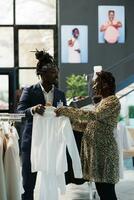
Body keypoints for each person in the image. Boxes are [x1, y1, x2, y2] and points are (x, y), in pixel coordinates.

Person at [55, 71, 121, 200]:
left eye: (96, 83)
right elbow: (88, 125)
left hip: (105, 155)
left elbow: (94, 116)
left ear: (106, 84)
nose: (93, 86)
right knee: (103, 191)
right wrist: (69, 122)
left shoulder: (112, 101)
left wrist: (68, 110)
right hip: (97, 154)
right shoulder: (103, 101)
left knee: (107, 192)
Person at [17, 50, 67, 200]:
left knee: (51, 181)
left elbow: (66, 115)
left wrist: (63, 112)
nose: (56, 76)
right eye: (53, 73)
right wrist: (32, 110)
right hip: (32, 143)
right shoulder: (30, 91)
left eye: (56, 73)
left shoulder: (60, 94)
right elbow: (20, 112)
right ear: (43, 74)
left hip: (52, 144)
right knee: (28, 185)